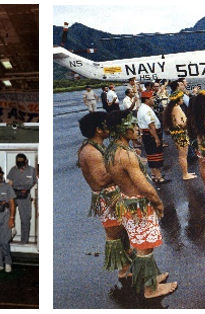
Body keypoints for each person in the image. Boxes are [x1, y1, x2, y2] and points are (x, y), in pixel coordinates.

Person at [105, 110, 178, 298]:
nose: (138, 129)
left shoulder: (111, 150)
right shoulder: (125, 155)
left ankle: (150, 277)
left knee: (141, 243)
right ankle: (149, 289)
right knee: (144, 246)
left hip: (125, 203)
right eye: (134, 126)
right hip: (137, 205)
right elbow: (144, 186)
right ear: (123, 129)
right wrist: (157, 202)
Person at [76, 112, 136, 279]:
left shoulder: (96, 146)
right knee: (115, 233)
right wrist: (123, 165)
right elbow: (101, 180)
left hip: (113, 197)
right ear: (99, 130)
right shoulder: (91, 152)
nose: (110, 127)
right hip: (108, 198)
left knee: (123, 232)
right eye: (106, 124)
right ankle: (124, 270)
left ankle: (127, 266)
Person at [164, 89, 196, 181]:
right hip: (180, 134)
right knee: (183, 155)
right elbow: (179, 123)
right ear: (177, 99)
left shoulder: (171, 108)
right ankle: (185, 174)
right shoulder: (176, 108)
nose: (182, 100)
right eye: (181, 98)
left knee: (182, 155)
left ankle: (186, 172)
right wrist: (188, 122)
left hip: (176, 134)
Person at [135, 96, 167, 183]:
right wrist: (156, 138)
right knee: (155, 155)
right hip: (151, 135)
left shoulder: (142, 108)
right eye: (152, 99)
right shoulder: (146, 110)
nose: (153, 100)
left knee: (151, 154)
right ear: (147, 100)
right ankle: (159, 177)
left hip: (147, 134)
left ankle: (154, 175)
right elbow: (151, 125)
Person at [7, 153, 36, 244]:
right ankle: (9, 237)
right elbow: (10, 183)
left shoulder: (32, 170)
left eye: (21, 163)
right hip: (13, 195)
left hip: (25, 196)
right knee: (7, 216)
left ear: (26, 161)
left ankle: (24, 240)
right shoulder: (13, 169)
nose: (19, 165)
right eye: (18, 163)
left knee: (25, 219)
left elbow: (36, 183)